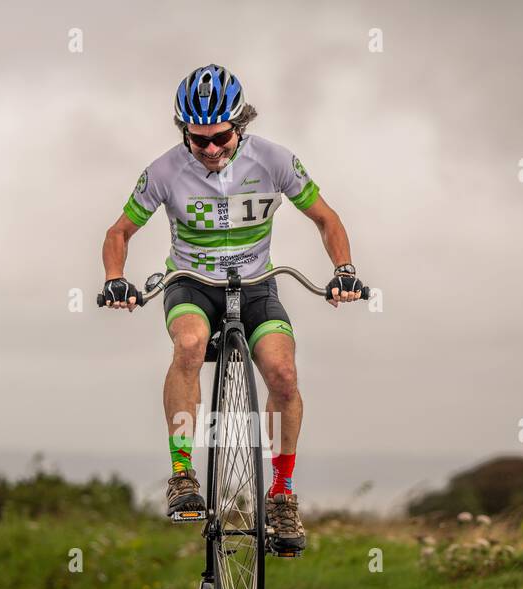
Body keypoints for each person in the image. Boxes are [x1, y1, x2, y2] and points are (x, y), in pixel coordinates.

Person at [100, 64, 365, 554]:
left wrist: (344, 269)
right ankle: (182, 475)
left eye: (221, 137)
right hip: (191, 285)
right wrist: (116, 280)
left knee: (283, 374)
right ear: (185, 133)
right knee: (190, 345)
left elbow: (325, 218)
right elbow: (119, 232)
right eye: (199, 141)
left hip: (257, 284)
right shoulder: (164, 170)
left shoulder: (274, 159)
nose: (212, 150)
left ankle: (282, 494)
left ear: (240, 125)